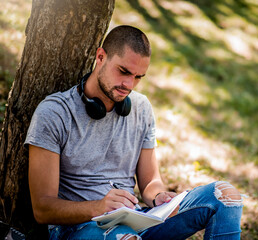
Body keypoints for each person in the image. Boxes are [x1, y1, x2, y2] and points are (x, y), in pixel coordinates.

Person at [25, 25, 244, 240]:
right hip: (79, 228)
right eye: (124, 71)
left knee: (225, 196)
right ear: (100, 57)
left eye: (138, 77)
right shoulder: (54, 113)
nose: (129, 85)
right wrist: (99, 207)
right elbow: (43, 209)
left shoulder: (141, 108)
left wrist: (158, 196)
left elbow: (149, 182)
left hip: (136, 221)